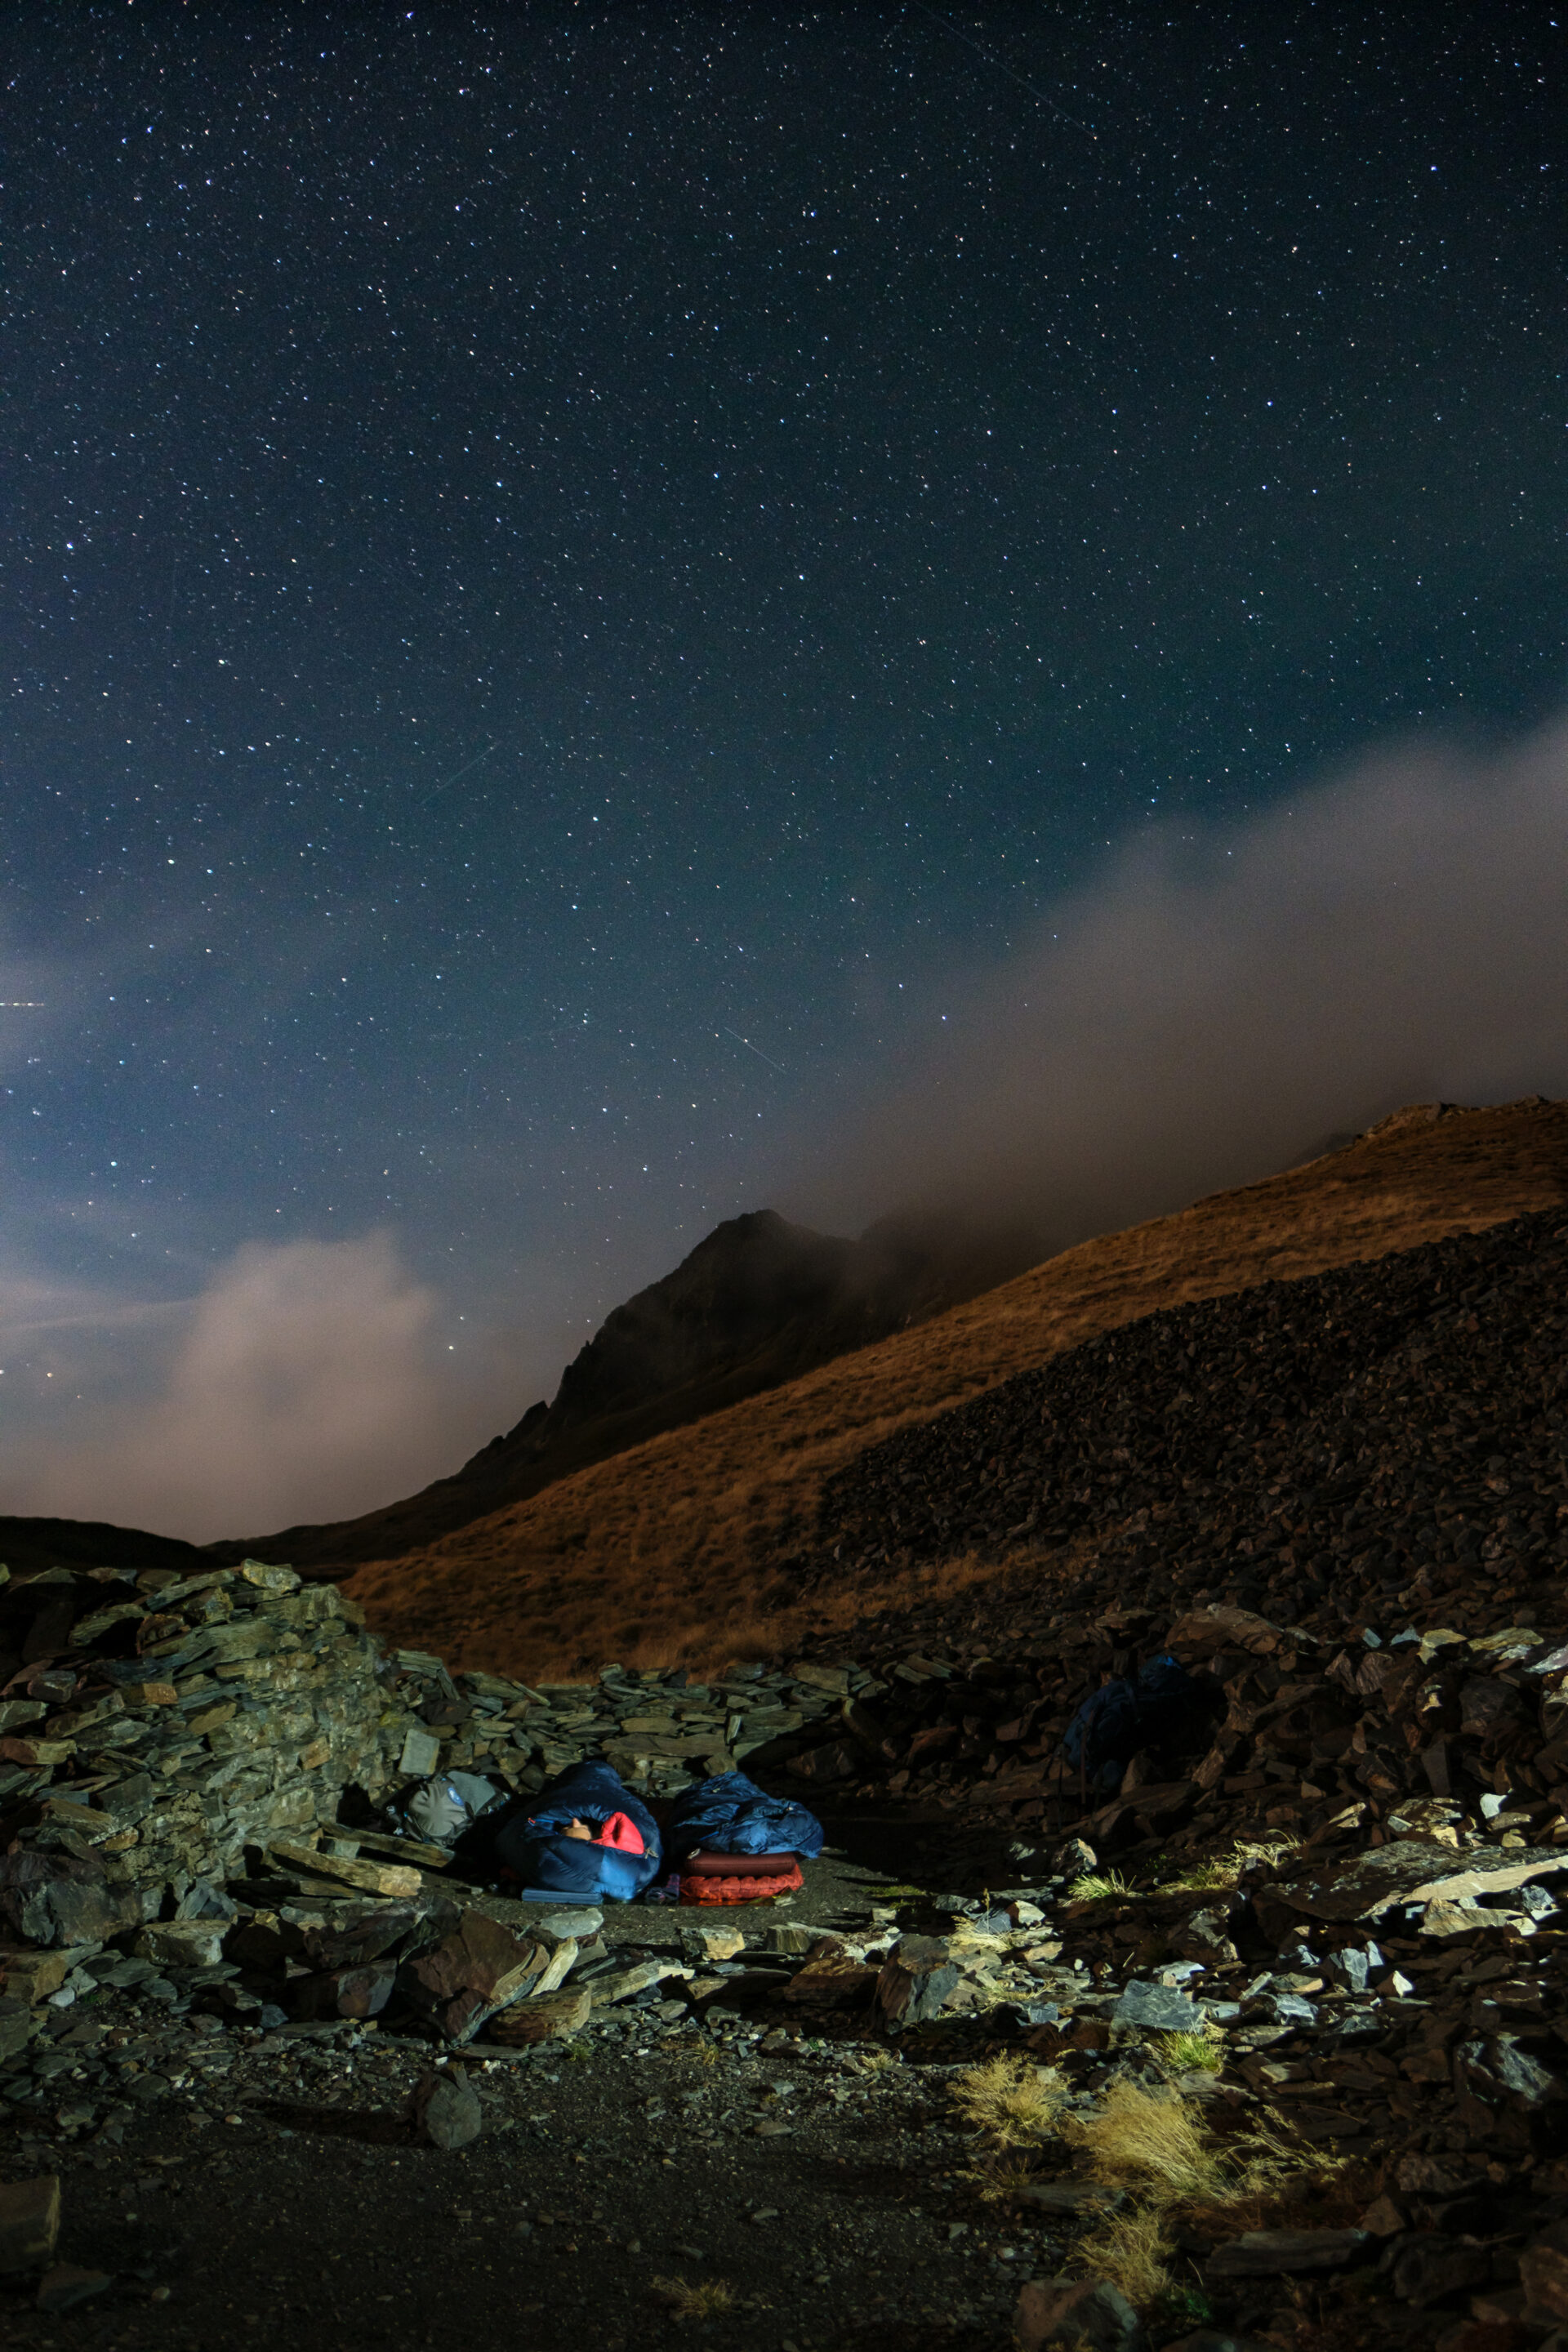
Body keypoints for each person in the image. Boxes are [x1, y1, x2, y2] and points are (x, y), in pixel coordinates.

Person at [492, 1759, 662, 1900]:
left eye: (575, 1828)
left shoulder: (553, 1853)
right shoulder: (640, 1862)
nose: (574, 1821)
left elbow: (515, 1836)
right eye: (581, 1825)